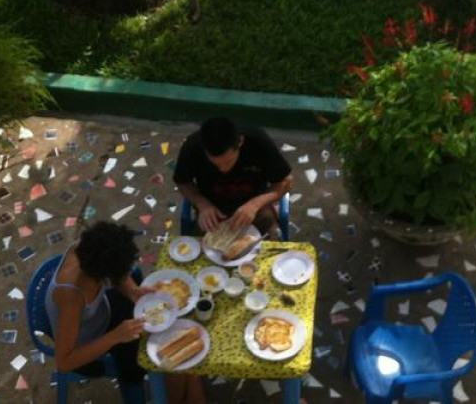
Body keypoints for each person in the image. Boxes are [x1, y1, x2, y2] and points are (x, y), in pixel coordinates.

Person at [47, 221, 204, 404]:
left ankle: (190, 388)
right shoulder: (72, 297)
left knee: (171, 325)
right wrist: (116, 336)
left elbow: (119, 271)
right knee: (159, 356)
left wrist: (133, 291)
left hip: (103, 313)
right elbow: (64, 363)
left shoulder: (89, 247)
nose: (126, 274)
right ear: (104, 275)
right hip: (87, 347)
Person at [173, 117, 292, 237]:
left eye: (228, 162)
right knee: (196, 247)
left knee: (273, 245)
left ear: (240, 142)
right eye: (215, 164)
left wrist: (255, 204)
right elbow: (183, 182)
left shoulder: (258, 141)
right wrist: (202, 204)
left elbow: (286, 181)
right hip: (212, 211)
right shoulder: (192, 146)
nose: (223, 169)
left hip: (257, 208)